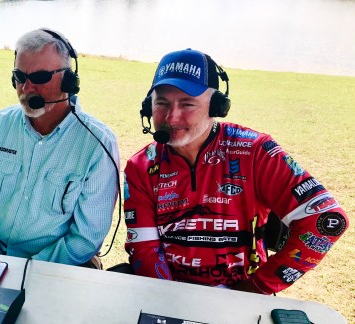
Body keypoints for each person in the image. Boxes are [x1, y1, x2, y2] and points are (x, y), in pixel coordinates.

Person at [123, 48, 348, 294]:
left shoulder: (256, 151)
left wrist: (255, 289)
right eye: (162, 103)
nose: (171, 117)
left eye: (187, 104)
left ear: (216, 107)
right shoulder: (141, 166)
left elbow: (327, 221)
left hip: (244, 292)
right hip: (168, 291)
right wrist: (170, 299)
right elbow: (144, 248)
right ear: (148, 107)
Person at [0, 28, 119, 266]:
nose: (26, 88)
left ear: (68, 80)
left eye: (40, 77)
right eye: (19, 76)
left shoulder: (97, 145)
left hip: (57, 266)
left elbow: (86, 238)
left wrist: (25, 271)